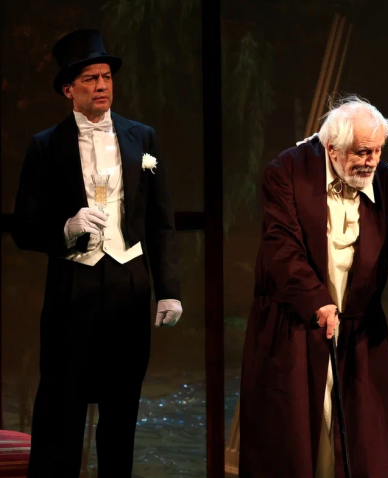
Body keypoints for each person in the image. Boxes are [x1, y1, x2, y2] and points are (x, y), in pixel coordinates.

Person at [239, 96, 388, 478]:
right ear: (331, 148)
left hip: (358, 330)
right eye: (362, 152)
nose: (372, 161)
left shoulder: (385, 181)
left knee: (362, 442)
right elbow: (281, 247)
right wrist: (317, 301)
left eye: (378, 151)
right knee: (297, 440)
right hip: (296, 325)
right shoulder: (287, 172)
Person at [12, 29, 182, 477]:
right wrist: (66, 228)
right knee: (62, 407)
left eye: (106, 77)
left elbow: (161, 221)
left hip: (129, 284)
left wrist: (169, 290)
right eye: (90, 78)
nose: (102, 85)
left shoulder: (142, 138)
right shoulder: (46, 145)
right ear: (69, 89)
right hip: (74, 285)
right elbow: (24, 227)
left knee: (121, 408)